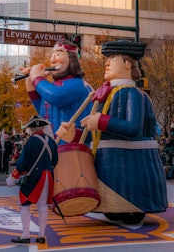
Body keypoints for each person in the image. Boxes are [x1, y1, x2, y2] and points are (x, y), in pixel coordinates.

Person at [57, 39, 168, 224]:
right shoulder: (106, 94)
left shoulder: (132, 94)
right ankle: (113, 206)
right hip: (111, 162)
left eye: (112, 58)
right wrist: (74, 135)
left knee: (127, 193)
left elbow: (133, 128)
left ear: (127, 64)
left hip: (130, 163)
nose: (106, 63)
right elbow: (99, 135)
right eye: (106, 59)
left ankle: (131, 207)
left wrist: (100, 120)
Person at [23, 38, 93, 145]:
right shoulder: (54, 87)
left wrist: (36, 78)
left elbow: (57, 96)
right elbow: (41, 108)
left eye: (58, 54)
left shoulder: (78, 84)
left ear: (71, 59)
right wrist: (30, 80)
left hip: (73, 150)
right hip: (55, 149)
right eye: (52, 55)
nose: (52, 60)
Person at [6, 116, 58, 244]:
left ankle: (25, 235)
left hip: (35, 176)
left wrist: (13, 177)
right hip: (48, 175)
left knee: (24, 204)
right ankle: (41, 235)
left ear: (33, 129)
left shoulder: (31, 141)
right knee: (43, 205)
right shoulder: (51, 141)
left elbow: (23, 163)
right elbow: (55, 161)